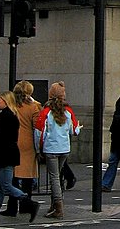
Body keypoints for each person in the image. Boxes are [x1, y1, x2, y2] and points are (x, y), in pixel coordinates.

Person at [0, 90, 40, 223]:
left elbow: (2, 135)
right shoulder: (4, 115)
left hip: (6, 154)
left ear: (6, 102)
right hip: (3, 154)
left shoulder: (8, 116)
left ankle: (28, 201)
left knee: (6, 185)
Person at [34, 81, 80, 219]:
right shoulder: (68, 111)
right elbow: (74, 130)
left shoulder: (46, 112)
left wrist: (38, 149)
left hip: (51, 148)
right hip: (64, 147)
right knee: (58, 176)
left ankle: (58, 206)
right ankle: (55, 205)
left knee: (54, 177)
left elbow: (39, 132)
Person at [0, 81, 41, 217]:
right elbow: (37, 127)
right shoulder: (34, 107)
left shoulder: (13, 106)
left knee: (14, 177)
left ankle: (12, 208)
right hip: (28, 143)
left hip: (14, 140)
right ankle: (25, 205)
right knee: (28, 178)